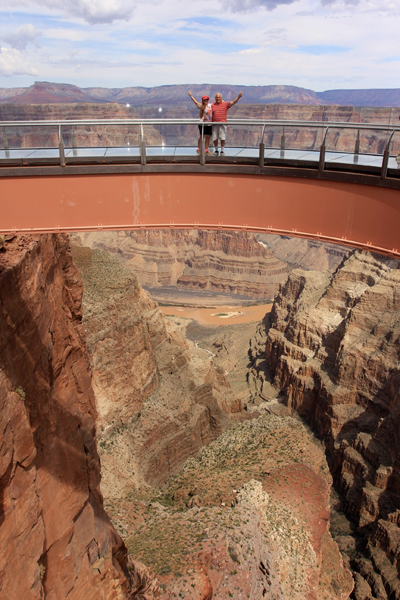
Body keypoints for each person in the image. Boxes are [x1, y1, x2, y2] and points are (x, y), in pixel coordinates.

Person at [211, 91, 242, 156]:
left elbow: (233, 102)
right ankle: (216, 150)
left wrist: (238, 97)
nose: (218, 98)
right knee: (215, 138)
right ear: (215, 98)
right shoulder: (212, 105)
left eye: (219, 97)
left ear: (221, 98)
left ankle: (222, 151)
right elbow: (204, 107)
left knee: (222, 138)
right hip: (214, 124)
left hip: (222, 124)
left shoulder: (225, 104)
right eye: (217, 97)